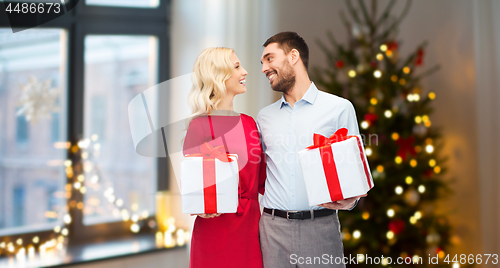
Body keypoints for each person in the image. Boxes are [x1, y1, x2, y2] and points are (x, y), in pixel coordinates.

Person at [257, 31, 367, 267]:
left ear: (293, 56)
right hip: (272, 231)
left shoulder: (339, 108)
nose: (264, 68)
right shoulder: (264, 117)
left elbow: (353, 173)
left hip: (320, 229)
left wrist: (351, 201)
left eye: (269, 58)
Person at [182, 47, 266, 268]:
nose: (245, 72)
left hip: (250, 229)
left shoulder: (250, 123)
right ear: (218, 75)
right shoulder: (198, 126)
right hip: (214, 231)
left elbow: (264, 181)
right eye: (237, 67)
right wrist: (202, 206)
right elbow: (192, 186)